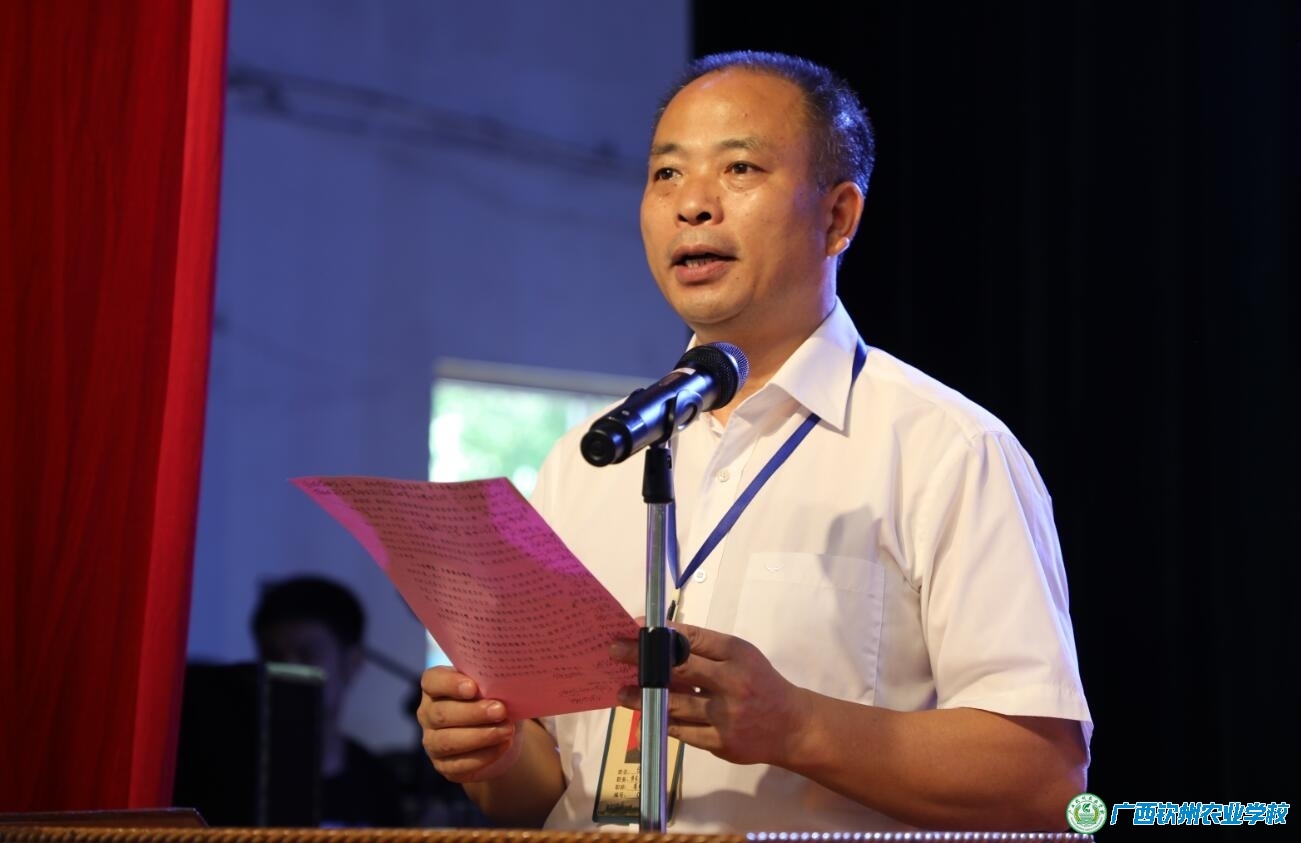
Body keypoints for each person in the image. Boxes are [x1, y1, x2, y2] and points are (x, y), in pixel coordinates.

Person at [416, 50, 1092, 833]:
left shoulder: (946, 448)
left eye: (739, 168)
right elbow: (548, 796)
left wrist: (799, 726)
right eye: (666, 173)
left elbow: (1045, 782)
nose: (692, 204)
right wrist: (494, 752)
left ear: (837, 217)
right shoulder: (586, 459)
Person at [252, 574, 407, 827]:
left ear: (353, 661)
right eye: (273, 656)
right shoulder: (236, 774)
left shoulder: (377, 784)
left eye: (307, 654)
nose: (290, 669)